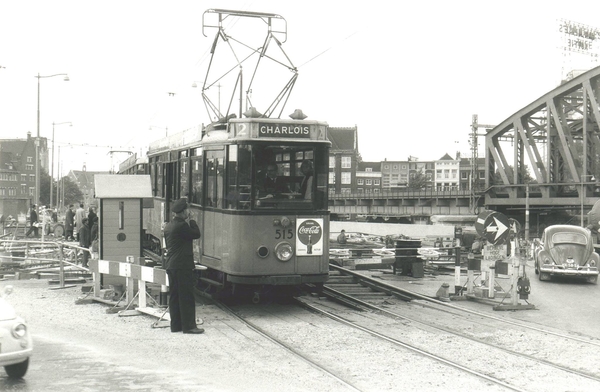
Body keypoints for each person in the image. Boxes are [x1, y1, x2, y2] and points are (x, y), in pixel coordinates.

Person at [163, 198, 204, 334]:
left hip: (171, 265)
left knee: (174, 296)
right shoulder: (182, 226)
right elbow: (196, 234)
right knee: (186, 296)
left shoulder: (169, 226)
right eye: (187, 210)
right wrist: (192, 220)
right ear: (183, 212)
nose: (189, 212)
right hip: (182, 266)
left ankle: (176, 326)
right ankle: (189, 326)